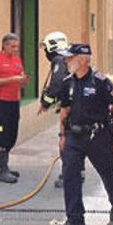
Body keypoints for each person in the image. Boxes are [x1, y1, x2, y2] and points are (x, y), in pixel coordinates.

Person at [55, 44, 113, 225]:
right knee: (70, 176)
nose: (66, 61)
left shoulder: (100, 82)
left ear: (82, 60)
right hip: (73, 137)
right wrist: (62, 135)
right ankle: (75, 220)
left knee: (108, 173)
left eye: (70, 58)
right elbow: (64, 110)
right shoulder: (67, 82)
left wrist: (109, 111)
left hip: (98, 137)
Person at [36, 31, 82, 189]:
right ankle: (77, 172)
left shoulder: (59, 59)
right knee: (75, 139)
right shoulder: (71, 57)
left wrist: (45, 103)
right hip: (79, 105)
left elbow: (56, 84)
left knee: (66, 140)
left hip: (70, 107)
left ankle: (70, 175)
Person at [0, 33, 27, 184]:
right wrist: (11, 79)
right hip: (0, 103)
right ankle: (0, 170)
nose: (16, 49)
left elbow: (20, 77)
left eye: (17, 46)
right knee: (1, 134)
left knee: (12, 135)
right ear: (4, 45)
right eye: (13, 46)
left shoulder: (17, 60)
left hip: (14, 102)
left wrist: (22, 80)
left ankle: (5, 165)